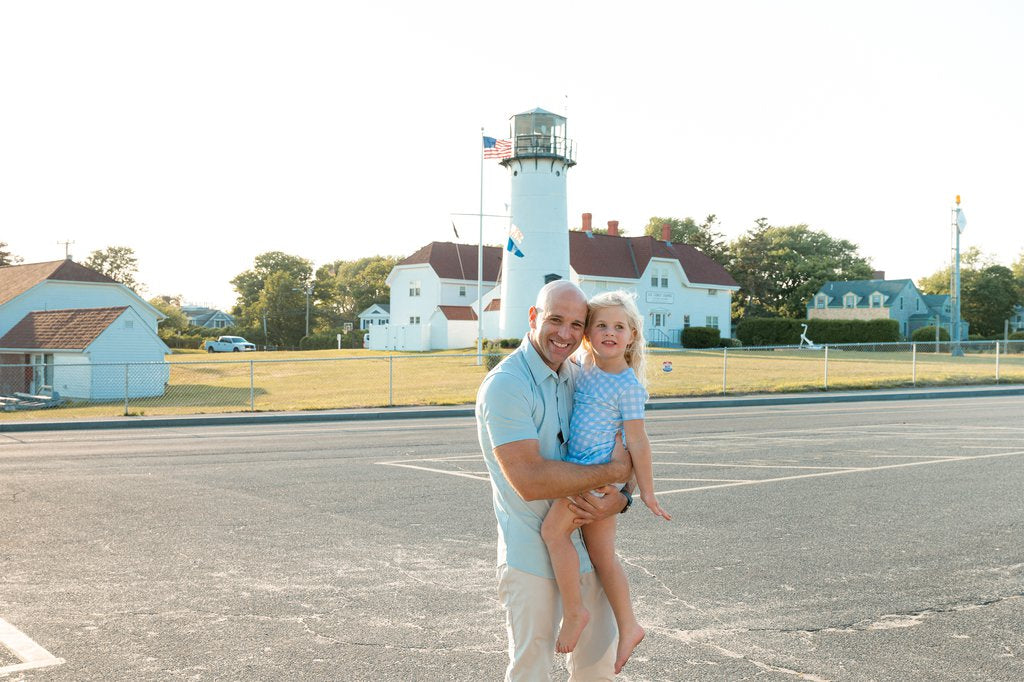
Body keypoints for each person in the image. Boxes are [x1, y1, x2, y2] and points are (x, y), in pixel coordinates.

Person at [476, 280, 634, 681]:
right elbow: (529, 480)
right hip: (531, 558)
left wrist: (624, 496)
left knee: (598, 670)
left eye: (576, 325)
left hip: (584, 551)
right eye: (555, 320)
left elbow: (625, 441)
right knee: (532, 673)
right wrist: (613, 475)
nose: (565, 334)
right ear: (533, 318)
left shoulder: (579, 375)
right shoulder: (507, 385)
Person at [540, 290, 671, 675]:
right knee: (603, 558)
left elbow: (638, 442)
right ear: (588, 334)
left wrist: (644, 491)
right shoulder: (583, 366)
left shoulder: (628, 386)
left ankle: (575, 610)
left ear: (632, 336)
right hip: (584, 472)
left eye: (619, 327)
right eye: (601, 326)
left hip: (591, 478)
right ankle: (629, 625)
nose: (610, 333)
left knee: (552, 533)